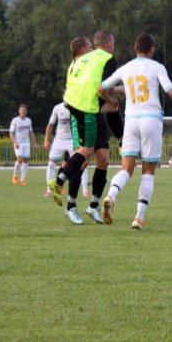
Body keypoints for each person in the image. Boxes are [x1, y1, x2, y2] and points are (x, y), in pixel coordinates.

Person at [99, 32, 172, 230]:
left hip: (131, 120)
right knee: (148, 170)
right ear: (152, 50)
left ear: (135, 49)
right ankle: (138, 218)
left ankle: (110, 195)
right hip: (151, 119)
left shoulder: (126, 68)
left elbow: (102, 88)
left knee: (126, 168)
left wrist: (112, 97)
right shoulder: (157, 67)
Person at [47, 31, 120, 225]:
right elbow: (100, 89)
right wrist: (111, 99)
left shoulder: (85, 62)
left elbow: (99, 86)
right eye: (87, 45)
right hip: (84, 109)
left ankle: (94, 205)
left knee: (103, 159)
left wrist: (118, 92)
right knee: (83, 156)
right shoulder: (97, 60)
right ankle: (66, 196)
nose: (89, 48)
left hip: (93, 112)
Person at [43, 101, 90, 198]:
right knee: (51, 163)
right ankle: (49, 190)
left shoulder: (79, 105)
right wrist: (46, 140)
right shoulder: (57, 108)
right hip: (59, 139)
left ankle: (85, 190)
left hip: (73, 139)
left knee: (81, 162)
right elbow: (50, 125)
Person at [9, 104, 33, 184]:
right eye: (22, 110)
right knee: (20, 159)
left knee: (26, 160)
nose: (23, 111)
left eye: (25, 110)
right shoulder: (15, 120)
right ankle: (15, 175)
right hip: (18, 142)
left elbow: (31, 132)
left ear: (26, 112)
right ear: (19, 111)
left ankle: (22, 179)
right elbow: (11, 133)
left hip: (26, 142)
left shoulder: (29, 120)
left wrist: (34, 142)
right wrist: (15, 142)